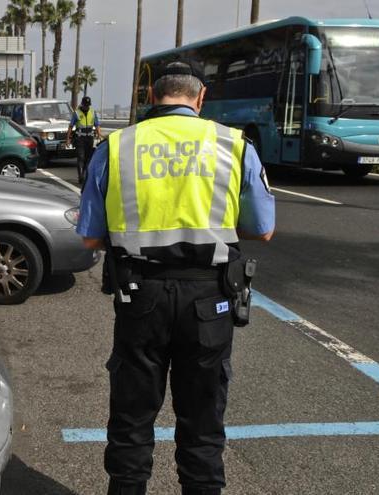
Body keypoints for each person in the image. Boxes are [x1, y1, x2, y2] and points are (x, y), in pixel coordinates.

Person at [77, 61, 275, 495]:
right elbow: (262, 228)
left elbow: (91, 239)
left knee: (131, 419)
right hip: (210, 300)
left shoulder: (117, 147)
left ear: (153, 98)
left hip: (139, 296)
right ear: (200, 98)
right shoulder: (233, 144)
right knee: (203, 424)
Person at [67, 96, 102, 185]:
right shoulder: (77, 113)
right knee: (81, 157)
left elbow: (97, 125)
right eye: (85, 105)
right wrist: (68, 139)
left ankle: (84, 174)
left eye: (88, 105)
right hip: (80, 139)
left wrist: (99, 135)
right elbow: (70, 126)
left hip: (89, 139)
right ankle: (81, 177)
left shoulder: (93, 113)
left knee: (87, 159)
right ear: (82, 104)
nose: (87, 107)